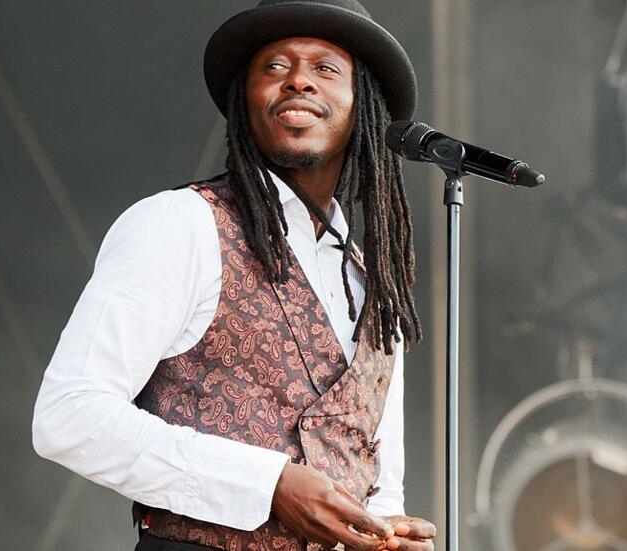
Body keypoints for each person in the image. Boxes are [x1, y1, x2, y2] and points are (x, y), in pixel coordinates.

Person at [32, 1, 435, 550]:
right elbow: (70, 416)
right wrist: (268, 483)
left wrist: (385, 529)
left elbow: (376, 478)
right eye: (274, 67)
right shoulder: (181, 225)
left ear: (361, 104)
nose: (297, 80)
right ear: (244, 101)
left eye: (325, 68)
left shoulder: (375, 283)